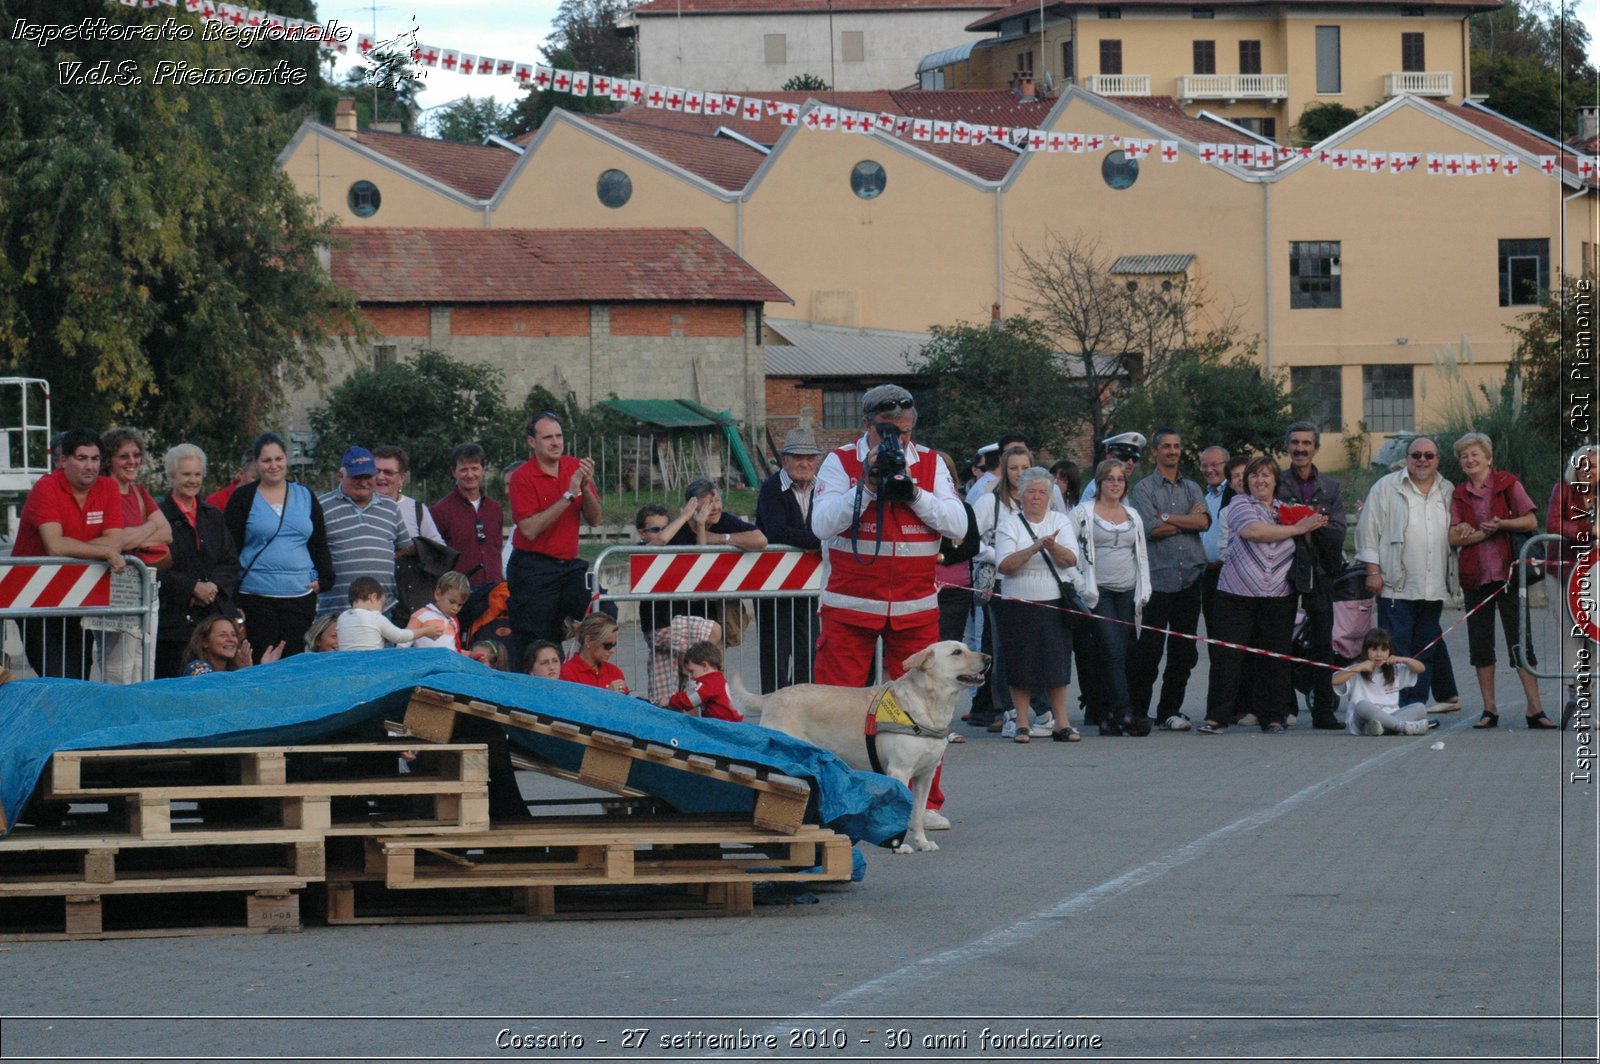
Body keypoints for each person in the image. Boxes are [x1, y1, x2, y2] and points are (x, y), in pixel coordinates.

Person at [812, 383, 968, 828]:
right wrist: (867, 486)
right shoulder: (840, 461)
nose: (896, 441)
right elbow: (821, 523)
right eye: (886, 432)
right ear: (867, 424)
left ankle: (926, 804)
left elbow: (958, 524)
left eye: (902, 430)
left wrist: (914, 494)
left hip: (915, 606)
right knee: (834, 703)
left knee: (930, 706)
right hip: (850, 603)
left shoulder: (932, 463)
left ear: (912, 423)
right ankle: (833, 798)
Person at [1198, 456, 1328, 734]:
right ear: (1246, 482)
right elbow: (1253, 531)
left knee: (1275, 658)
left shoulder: (1286, 509)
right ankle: (1217, 717)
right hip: (1235, 594)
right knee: (1228, 657)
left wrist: (1309, 525)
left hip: (1279, 595)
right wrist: (1297, 529)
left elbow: (1315, 534)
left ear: (1275, 481)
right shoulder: (1239, 504)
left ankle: (1273, 716)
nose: (1260, 480)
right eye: (1254, 476)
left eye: (1267, 475)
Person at [1447, 432, 1551, 729]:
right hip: (1475, 577)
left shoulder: (1508, 484)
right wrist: (1477, 532)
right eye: (1464, 456)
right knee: (1480, 644)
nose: (1469, 460)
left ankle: (1535, 708)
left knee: (1520, 641)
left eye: (1474, 454)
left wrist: (1502, 524)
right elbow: (1453, 536)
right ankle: (1489, 709)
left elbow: (1530, 521)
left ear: (1488, 457)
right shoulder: (1459, 494)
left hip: (1509, 575)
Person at [1354, 436, 1461, 715]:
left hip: (1433, 585)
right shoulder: (1386, 488)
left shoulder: (1448, 490)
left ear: (1438, 459)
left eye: (1429, 455)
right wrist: (1373, 571)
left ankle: (1415, 708)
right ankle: (1395, 705)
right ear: (1407, 458)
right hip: (1394, 584)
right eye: (1416, 455)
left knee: (1424, 649)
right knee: (1396, 648)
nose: (1422, 460)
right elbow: (1367, 531)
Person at [11, 427, 127, 679]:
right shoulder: (46, 487)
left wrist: (100, 548)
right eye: (82, 458)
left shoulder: (107, 488)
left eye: (95, 459)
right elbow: (55, 545)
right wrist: (103, 550)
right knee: (55, 675)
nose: (90, 466)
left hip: (79, 595)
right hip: (35, 597)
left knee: (79, 674)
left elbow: (115, 541)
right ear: (64, 460)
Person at [224, 432, 335, 660]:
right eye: (266, 460)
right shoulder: (243, 498)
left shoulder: (306, 496)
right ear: (256, 463)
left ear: (286, 459)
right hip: (256, 596)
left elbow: (319, 543)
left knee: (294, 660)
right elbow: (229, 549)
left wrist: (324, 579)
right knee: (261, 660)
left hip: (299, 594)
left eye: (278, 459)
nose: (273, 465)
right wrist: (232, 597)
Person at [1128, 428, 1210, 731]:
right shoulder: (1144, 488)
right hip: (1158, 582)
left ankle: (1170, 710)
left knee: (1183, 653)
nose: (1172, 451)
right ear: (1155, 452)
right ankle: (1138, 710)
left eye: (1177, 446)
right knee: (1148, 652)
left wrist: (1166, 517)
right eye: (1166, 446)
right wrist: (1181, 521)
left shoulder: (1192, 487)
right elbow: (1150, 529)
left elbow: (1203, 522)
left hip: (1190, 579)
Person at [994, 467, 1082, 742]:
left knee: (1057, 664)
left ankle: (1061, 722)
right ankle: (1022, 723)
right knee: (1021, 663)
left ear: (1050, 495)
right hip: (1018, 604)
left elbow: (1070, 559)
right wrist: (1034, 547)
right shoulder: (1009, 523)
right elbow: (1006, 565)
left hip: (1054, 602)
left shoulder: (1060, 520)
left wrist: (1052, 546)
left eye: (1042, 492)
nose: (1036, 497)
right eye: (1030, 492)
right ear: (1020, 495)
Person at [507, 412, 601, 659]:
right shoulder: (522, 477)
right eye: (547, 437)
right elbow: (529, 529)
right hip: (534, 566)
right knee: (538, 640)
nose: (555, 442)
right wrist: (568, 496)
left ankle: (576, 650)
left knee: (603, 608)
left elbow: (595, 519)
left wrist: (586, 489)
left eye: (558, 436)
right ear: (532, 442)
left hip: (568, 566)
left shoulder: (574, 466)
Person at [1070, 459, 1151, 736]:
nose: (1116, 483)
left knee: (1125, 652)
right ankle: (1124, 712)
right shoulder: (1083, 513)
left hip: (1127, 591)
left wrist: (1143, 589)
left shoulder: (1132, 515)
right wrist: (1080, 586)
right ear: (1099, 483)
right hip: (1098, 591)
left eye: (1120, 479)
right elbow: (1071, 553)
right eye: (1110, 478)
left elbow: (1139, 553)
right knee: (1112, 649)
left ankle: (1107, 716)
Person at [1276, 421, 1348, 730]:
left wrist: (1302, 524)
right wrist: (1311, 521)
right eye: (1295, 443)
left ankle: (1323, 710)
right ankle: (1284, 707)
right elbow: (1272, 527)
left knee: (1322, 642)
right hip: (1283, 570)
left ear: (1316, 448)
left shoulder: (1331, 487)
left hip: (1321, 571)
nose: (1300, 449)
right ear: (1287, 447)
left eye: (1306, 443)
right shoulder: (1276, 483)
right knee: (1279, 639)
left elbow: (1337, 532)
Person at [156, 444, 242, 679]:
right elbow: (155, 566)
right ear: (172, 477)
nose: (193, 480)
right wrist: (191, 588)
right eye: (186, 474)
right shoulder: (157, 516)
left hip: (213, 617)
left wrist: (213, 586)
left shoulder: (213, 515)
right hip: (174, 623)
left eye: (197, 474)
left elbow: (230, 561)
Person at [97, 427, 174, 684]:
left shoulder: (139, 492)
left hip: (144, 584)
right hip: (115, 585)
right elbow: (115, 542)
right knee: (118, 665)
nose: (132, 461)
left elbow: (167, 534)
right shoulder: (102, 491)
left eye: (136, 454)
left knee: (144, 661)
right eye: (124, 456)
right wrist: (150, 527)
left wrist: (135, 535)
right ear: (109, 459)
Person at [633, 502, 725, 704]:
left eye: (665, 527)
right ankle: (699, 666)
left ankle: (689, 667)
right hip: (660, 626)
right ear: (642, 533)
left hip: (672, 630)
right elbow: (662, 540)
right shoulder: (643, 550)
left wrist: (700, 525)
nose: (662, 533)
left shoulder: (674, 549)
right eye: (655, 529)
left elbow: (700, 558)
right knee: (714, 629)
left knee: (665, 699)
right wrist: (684, 516)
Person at [756, 427, 824, 692]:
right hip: (773, 581)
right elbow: (776, 530)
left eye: (810, 457)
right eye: (798, 457)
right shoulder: (772, 488)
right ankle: (773, 704)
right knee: (776, 646)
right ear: (785, 460)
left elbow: (831, 523)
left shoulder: (823, 489)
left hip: (808, 582)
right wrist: (818, 540)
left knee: (809, 645)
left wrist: (813, 538)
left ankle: (803, 702)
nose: (804, 463)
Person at [972, 443, 1034, 735]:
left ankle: (1034, 709)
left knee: (1030, 648)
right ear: (1004, 470)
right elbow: (971, 538)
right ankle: (1005, 709)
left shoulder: (1037, 501)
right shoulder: (990, 503)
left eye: (1025, 468)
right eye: (1014, 468)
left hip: (1034, 582)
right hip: (999, 582)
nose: (1020, 474)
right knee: (1002, 648)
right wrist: (998, 555)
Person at [316, 446, 413, 617]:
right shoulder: (321, 506)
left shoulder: (390, 507)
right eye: (356, 477)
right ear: (341, 476)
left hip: (383, 611)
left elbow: (405, 547)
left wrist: (378, 556)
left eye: (367, 476)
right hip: (336, 613)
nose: (363, 482)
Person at [1549, 445, 1600, 727]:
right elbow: (1554, 523)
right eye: (1583, 466)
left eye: (1593, 466)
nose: (1588, 471)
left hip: (1597, 576)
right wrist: (1589, 531)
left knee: (1594, 638)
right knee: (1572, 635)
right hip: (1564, 572)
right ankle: (1576, 696)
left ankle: (1587, 701)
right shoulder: (1564, 490)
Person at [431, 442, 505, 589]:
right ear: (454, 471)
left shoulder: (495, 508)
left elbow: (496, 549)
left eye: (475, 468)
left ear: (483, 470)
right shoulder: (439, 511)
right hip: (459, 595)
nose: (470, 475)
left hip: (494, 590)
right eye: (464, 469)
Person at [1335, 627, 1432, 736]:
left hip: (1390, 715)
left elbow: (1421, 668)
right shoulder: (1358, 668)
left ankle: (1383, 729)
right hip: (1363, 717)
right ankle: (1402, 727)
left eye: (1384, 650)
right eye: (1374, 649)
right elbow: (1335, 680)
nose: (1379, 654)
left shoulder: (1394, 668)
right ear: (1366, 650)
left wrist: (1405, 660)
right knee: (1362, 705)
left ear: (1390, 651)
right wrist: (1358, 668)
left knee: (1420, 707)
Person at [336, 576, 445, 651]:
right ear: (373, 597)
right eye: (382, 604)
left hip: (348, 667)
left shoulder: (342, 618)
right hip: (371, 666)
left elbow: (362, 638)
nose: (382, 610)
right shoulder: (375, 617)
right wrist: (425, 631)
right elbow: (399, 636)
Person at [372, 445, 443, 544]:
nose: (380, 477)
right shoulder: (357, 507)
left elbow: (437, 548)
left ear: (402, 478)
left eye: (388, 472)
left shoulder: (417, 510)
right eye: (376, 471)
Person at [180, 613, 282, 676]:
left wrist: (263, 670)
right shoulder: (197, 666)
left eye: (233, 635)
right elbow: (214, 696)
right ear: (205, 642)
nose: (231, 640)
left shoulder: (233, 670)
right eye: (222, 635)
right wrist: (245, 673)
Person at [666, 641, 743, 721]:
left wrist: (670, 701)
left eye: (692, 671)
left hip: (724, 725)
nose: (692, 676)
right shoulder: (717, 679)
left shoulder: (710, 683)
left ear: (704, 666)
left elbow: (689, 699)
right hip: (730, 722)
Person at [1198, 445, 1229, 634]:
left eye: (1215, 464)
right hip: (1208, 575)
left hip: (1227, 573)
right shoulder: (1206, 497)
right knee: (1213, 633)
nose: (1209, 470)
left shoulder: (1235, 494)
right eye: (1204, 465)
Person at [559, 613, 629, 693]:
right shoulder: (567, 673)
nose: (612, 650)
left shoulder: (614, 672)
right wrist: (608, 695)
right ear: (588, 640)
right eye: (607, 645)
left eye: (613, 645)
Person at [407, 570, 473, 652]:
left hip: (447, 664)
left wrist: (469, 655)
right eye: (452, 602)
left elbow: (455, 651)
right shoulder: (421, 615)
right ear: (438, 594)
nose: (455, 608)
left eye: (460, 605)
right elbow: (404, 641)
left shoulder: (454, 622)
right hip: (424, 663)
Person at [1080, 432, 1145, 504]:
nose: (1130, 463)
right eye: (1125, 457)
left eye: (1135, 458)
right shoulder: (1099, 487)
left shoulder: (1120, 486)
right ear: (1109, 458)